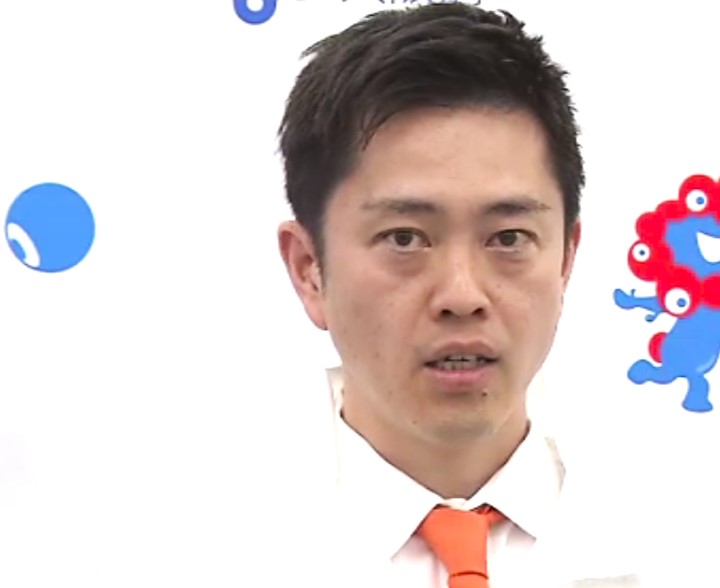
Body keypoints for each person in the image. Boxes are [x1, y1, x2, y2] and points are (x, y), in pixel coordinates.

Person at [274, 4, 644, 587]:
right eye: (405, 238)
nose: (462, 295)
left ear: (565, 260)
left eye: (508, 238)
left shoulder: (702, 537)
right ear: (309, 269)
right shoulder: (177, 548)